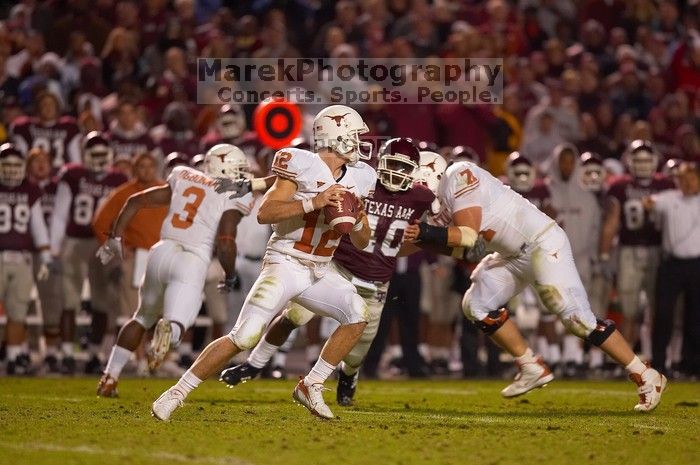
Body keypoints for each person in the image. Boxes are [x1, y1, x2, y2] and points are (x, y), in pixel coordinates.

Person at [151, 105, 376, 421]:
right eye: (353, 135)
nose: (358, 142)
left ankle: (311, 384)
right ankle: (176, 393)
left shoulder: (364, 177)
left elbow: (363, 243)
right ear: (334, 137)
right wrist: (315, 201)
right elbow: (265, 212)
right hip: (285, 262)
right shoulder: (301, 163)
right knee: (244, 337)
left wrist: (361, 220)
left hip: (320, 269)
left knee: (357, 315)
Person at [404, 157, 667, 412]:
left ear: (429, 175)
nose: (412, 190)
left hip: (542, 243)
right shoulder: (440, 209)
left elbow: (468, 236)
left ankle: (645, 374)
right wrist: (394, 243)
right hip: (513, 255)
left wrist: (424, 233)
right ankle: (531, 365)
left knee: (577, 319)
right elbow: (461, 250)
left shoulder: (459, 175)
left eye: (414, 183)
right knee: (476, 304)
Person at [220, 139, 438, 405]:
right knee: (295, 315)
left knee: (357, 351)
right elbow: (301, 179)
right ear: (379, 163)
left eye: (402, 167)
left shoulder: (422, 196)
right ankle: (255, 363)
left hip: (376, 278)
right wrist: (252, 184)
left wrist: (424, 236)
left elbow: (439, 225)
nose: (394, 171)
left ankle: (349, 375)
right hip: (338, 265)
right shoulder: (364, 178)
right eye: (390, 163)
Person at [95, 144, 254, 397]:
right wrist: (231, 274)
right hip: (191, 258)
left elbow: (136, 201)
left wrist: (115, 238)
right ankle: (169, 329)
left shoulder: (184, 175)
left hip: (160, 251)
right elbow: (226, 241)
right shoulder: (234, 193)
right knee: (179, 325)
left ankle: (110, 377)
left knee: (140, 317)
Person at [49, 131, 128, 374]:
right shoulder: (73, 175)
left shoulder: (118, 179)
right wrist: (54, 249)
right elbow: (61, 213)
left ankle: (95, 353)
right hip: (75, 241)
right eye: (94, 153)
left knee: (102, 301)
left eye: (103, 153)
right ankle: (66, 352)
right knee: (69, 299)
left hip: (102, 243)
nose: (99, 158)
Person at [599, 140, 674, 359]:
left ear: (655, 161)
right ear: (630, 161)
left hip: (657, 250)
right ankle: (626, 360)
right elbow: (612, 220)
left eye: (646, 160)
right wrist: (604, 253)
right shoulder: (620, 185)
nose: (642, 164)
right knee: (628, 311)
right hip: (628, 250)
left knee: (657, 309)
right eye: (638, 160)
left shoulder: (666, 184)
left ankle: (657, 358)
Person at [92, 152, 168, 323]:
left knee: (162, 311)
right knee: (134, 310)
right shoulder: (123, 193)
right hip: (135, 257)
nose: (147, 171)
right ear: (134, 170)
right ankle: (137, 350)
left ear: (156, 169)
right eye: (142, 166)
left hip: (162, 256)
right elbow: (100, 222)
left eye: (150, 166)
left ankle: (157, 350)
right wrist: (117, 248)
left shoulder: (166, 191)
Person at [643, 162, 700, 377]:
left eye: (691, 178)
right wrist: (647, 204)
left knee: (695, 317)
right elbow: (650, 203)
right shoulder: (669, 198)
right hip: (671, 265)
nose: (687, 183)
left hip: (696, 264)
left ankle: (691, 363)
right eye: (683, 179)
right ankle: (659, 362)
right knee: (663, 314)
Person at [0, 143, 51, 374]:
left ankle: (12, 357)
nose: (11, 170)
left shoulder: (30, 191)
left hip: (22, 258)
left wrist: (45, 255)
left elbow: (38, 225)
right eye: (6, 165)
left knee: (18, 311)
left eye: (15, 165)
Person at [25, 147, 63, 372]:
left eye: (44, 161)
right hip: (23, 249)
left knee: (51, 302)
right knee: (20, 304)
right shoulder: (21, 187)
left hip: (49, 249)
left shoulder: (59, 186)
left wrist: (54, 247)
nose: (40, 165)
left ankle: (50, 353)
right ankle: (24, 351)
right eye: (35, 161)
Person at [10, 91, 82, 169]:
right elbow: (21, 159)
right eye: (44, 104)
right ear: (38, 108)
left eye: (51, 104)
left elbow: (76, 160)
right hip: (33, 174)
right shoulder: (25, 127)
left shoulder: (69, 127)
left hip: (61, 175)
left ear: (57, 107)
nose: (48, 108)